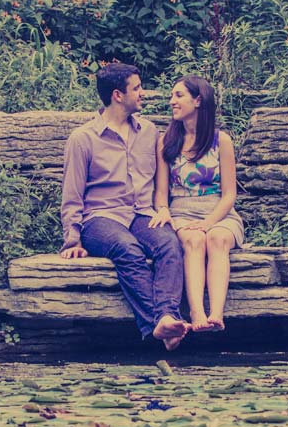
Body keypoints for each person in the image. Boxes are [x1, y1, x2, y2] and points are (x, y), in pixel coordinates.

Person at [59, 62, 191, 350]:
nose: (143, 93)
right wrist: (73, 238)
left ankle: (168, 316)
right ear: (118, 95)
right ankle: (158, 323)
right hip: (100, 219)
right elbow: (72, 195)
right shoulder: (83, 139)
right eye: (137, 88)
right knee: (127, 248)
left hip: (142, 213)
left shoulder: (149, 132)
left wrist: (163, 210)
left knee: (169, 244)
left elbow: (162, 181)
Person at [152, 75, 243, 332]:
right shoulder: (166, 142)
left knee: (216, 239)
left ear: (198, 100)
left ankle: (216, 313)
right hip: (181, 211)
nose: (172, 101)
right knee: (194, 240)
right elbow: (161, 192)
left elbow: (229, 195)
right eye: (172, 96)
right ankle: (197, 313)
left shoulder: (221, 141)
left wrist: (208, 222)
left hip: (219, 212)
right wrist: (163, 211)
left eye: (179, 96)